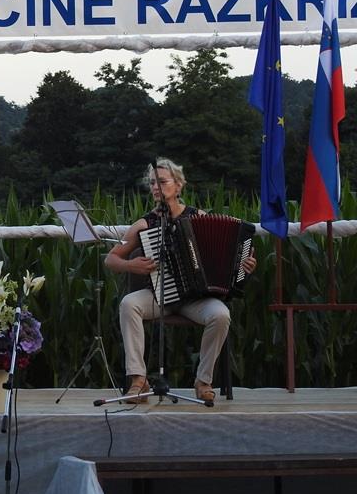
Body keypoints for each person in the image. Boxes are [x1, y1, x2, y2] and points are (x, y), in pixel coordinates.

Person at [104, 159, 256, 404]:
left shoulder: (200, 218)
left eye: (162, 182)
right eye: (152, 183)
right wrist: (131, 265)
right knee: (129, 304)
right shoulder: (144, 224)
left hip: (195, 299)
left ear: (178, 185)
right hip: (159, 296)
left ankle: (203, 381)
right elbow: (111, 259)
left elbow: (232, 258)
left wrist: (244, 266)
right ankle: (138, 380)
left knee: (221, 315)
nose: (156, 187)